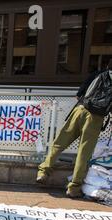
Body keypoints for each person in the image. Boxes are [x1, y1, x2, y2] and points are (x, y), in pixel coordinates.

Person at [37, 59, 112, 198]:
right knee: (84, 153)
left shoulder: (98, 74)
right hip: (95, 119)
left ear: (108, 65)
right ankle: (73, 188)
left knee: (59, 143)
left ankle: (43, 172)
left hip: (80, 110)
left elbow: (79, 93)